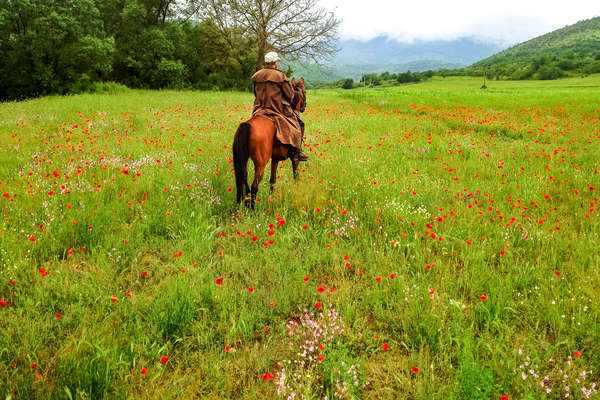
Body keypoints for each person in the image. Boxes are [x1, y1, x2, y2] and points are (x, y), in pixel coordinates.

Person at [251, 51, 308, 162]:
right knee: (298, 125)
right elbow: (290, 95)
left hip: (258, 110)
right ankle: (297, 152)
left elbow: (255, 93)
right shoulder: (280, 76)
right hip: (276, 110)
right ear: (275, 62)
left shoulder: (256, 75)